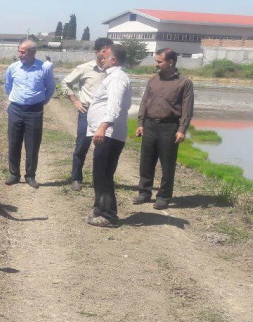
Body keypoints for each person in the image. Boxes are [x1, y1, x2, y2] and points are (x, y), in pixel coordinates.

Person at [134, 48, 195, 210]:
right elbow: (144, 101)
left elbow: (187, 108)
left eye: (159, 61)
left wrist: (182, 129)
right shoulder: (153, 79)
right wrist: (140, 123)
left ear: (170, 62)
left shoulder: (184, 83)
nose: (156, 64)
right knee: (146, 161)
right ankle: (144, 192)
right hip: (150, 125)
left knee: (167, 164)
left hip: (169, 127)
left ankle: (164, 196)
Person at [85, 44, 133, 227]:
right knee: (99, 173)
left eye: (104, 57)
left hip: (109, 134)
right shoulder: (112, 77)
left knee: (103, 174)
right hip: (108, 133)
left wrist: (103, 127)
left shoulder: (117, 78)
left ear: (113, 59)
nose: (101, 59)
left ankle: (109, 215)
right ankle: (98, 210)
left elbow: (114, 105)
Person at [61, 37, 113, 191]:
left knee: (103, 148)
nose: (106, 55)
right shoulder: (84, 68)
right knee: (82, 145)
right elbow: (65, 82)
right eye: (104, 52)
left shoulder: (112, 70)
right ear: (96, 52)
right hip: (87, 112)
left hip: (106, 115)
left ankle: (101, 179)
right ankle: (76, 178)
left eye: (109, 52)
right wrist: (75, 101)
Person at [3, 40, 56, 188]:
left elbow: (51, 87)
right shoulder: (13, 68)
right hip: (16, 109)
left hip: (34, 111)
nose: (20, 55)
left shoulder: (43, 68)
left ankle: (30, 175)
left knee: (32, 145)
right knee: (14, 142)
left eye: (23, 52)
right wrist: (17, 99)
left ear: (33, 53)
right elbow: (8, 86)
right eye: (19, 51)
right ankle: (14, 174)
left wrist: (40, 102)